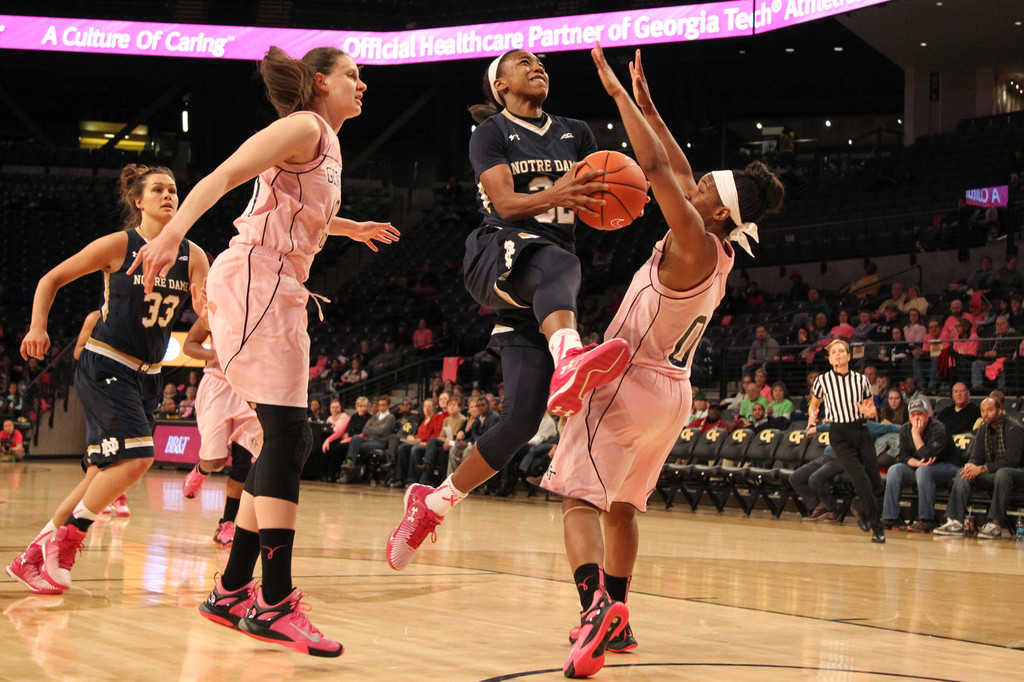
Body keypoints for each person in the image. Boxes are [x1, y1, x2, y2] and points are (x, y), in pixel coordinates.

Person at [131, 46, 398, 657]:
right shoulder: (303, 125)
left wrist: (348, 229)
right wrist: (173, 233)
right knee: (285, 432)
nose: (364, 84)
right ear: (319, 82)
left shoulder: (325, 142)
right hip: (256, 279)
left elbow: (294, 212)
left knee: (285, 437)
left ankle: (231, 591)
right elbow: (223, 176)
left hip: (279, 283)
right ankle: (272, 600)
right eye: (353, 75)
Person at [545, 46, 782, 677]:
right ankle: (619, 618)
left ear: (719, 211)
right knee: (622, 507)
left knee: (576, 498)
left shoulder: (694, 243)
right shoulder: (721, 252)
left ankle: (594, 610)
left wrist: (616, 96)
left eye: (705, 188)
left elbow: (653, 167)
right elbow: (674, 164)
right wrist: (648, 103)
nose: (696, 183)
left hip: (627, 382)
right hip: (672, 396)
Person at [387, 49, 636, 573]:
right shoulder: (492, 132)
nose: (537, 65)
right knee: (557, 260)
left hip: (544, 288)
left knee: (521, 420)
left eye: (541, 61)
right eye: (523, 62)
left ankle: (432, 504)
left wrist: (614, 205)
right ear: (499, 86)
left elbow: (590, 205)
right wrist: (565, 191)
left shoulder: (576, 132)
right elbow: (504, 204)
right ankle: (570, 355)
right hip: (496, 250)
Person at [5, 163, 208, 597]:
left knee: (98, 475)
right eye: (159, 190)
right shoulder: (121, 244)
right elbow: (50, 279)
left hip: (149, 376)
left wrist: (217, 303)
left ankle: (31, 559)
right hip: (106, 363)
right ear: (139, 201)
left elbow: (208, 310)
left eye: (173, 190)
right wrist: (38, 326)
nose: (169, 196)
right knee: (138, 459)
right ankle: (69, 539)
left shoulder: (193, 254)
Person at [180, 316, 262, 547]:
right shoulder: (216, 307)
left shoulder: (266, 305)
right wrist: (213, 355)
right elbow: (189, 344)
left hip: (249, 389)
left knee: (244, 463)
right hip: (218, 386)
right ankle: (201, 469)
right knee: (215, 460)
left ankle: (226, 524)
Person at [807, 338, 885, 543]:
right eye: (834, 352)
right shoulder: (823, 381)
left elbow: (871, 408)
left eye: (842, 351)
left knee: (876, 483)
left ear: (849, 356)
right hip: (839, 435)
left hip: (861, 431)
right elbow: (814, 404)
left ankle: (860, 506)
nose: (838, 354)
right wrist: (811, 415)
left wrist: (870, 412)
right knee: (860, 480)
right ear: (831, 359)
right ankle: (878, 528)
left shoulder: (861, 381)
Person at [934, 398, 1024, 539]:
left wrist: (982, 469)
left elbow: (1011, 461)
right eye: (983, 410)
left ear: (999, 411)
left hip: (1016, 473)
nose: (985, 414)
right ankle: (955, 521)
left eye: (990, 410)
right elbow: (977, 457)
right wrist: (971, 465)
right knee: (963, 472)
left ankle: (995, 523)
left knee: (1003, 473)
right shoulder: (983, 429)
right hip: (992, 473)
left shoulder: (1014, 429)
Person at [880, 398, 961, 533]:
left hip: (948, 467)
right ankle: (891, 517)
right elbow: (903, 456)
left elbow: (928, 457)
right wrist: (917, 463)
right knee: (895, 470)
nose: (916, 418)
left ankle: (927, 520)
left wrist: (916, 435)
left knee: (924, 471)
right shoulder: (906, 429)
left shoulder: (938, 429)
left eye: (920, 414)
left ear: (927, 415)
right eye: (913, 415)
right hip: (921, 467)